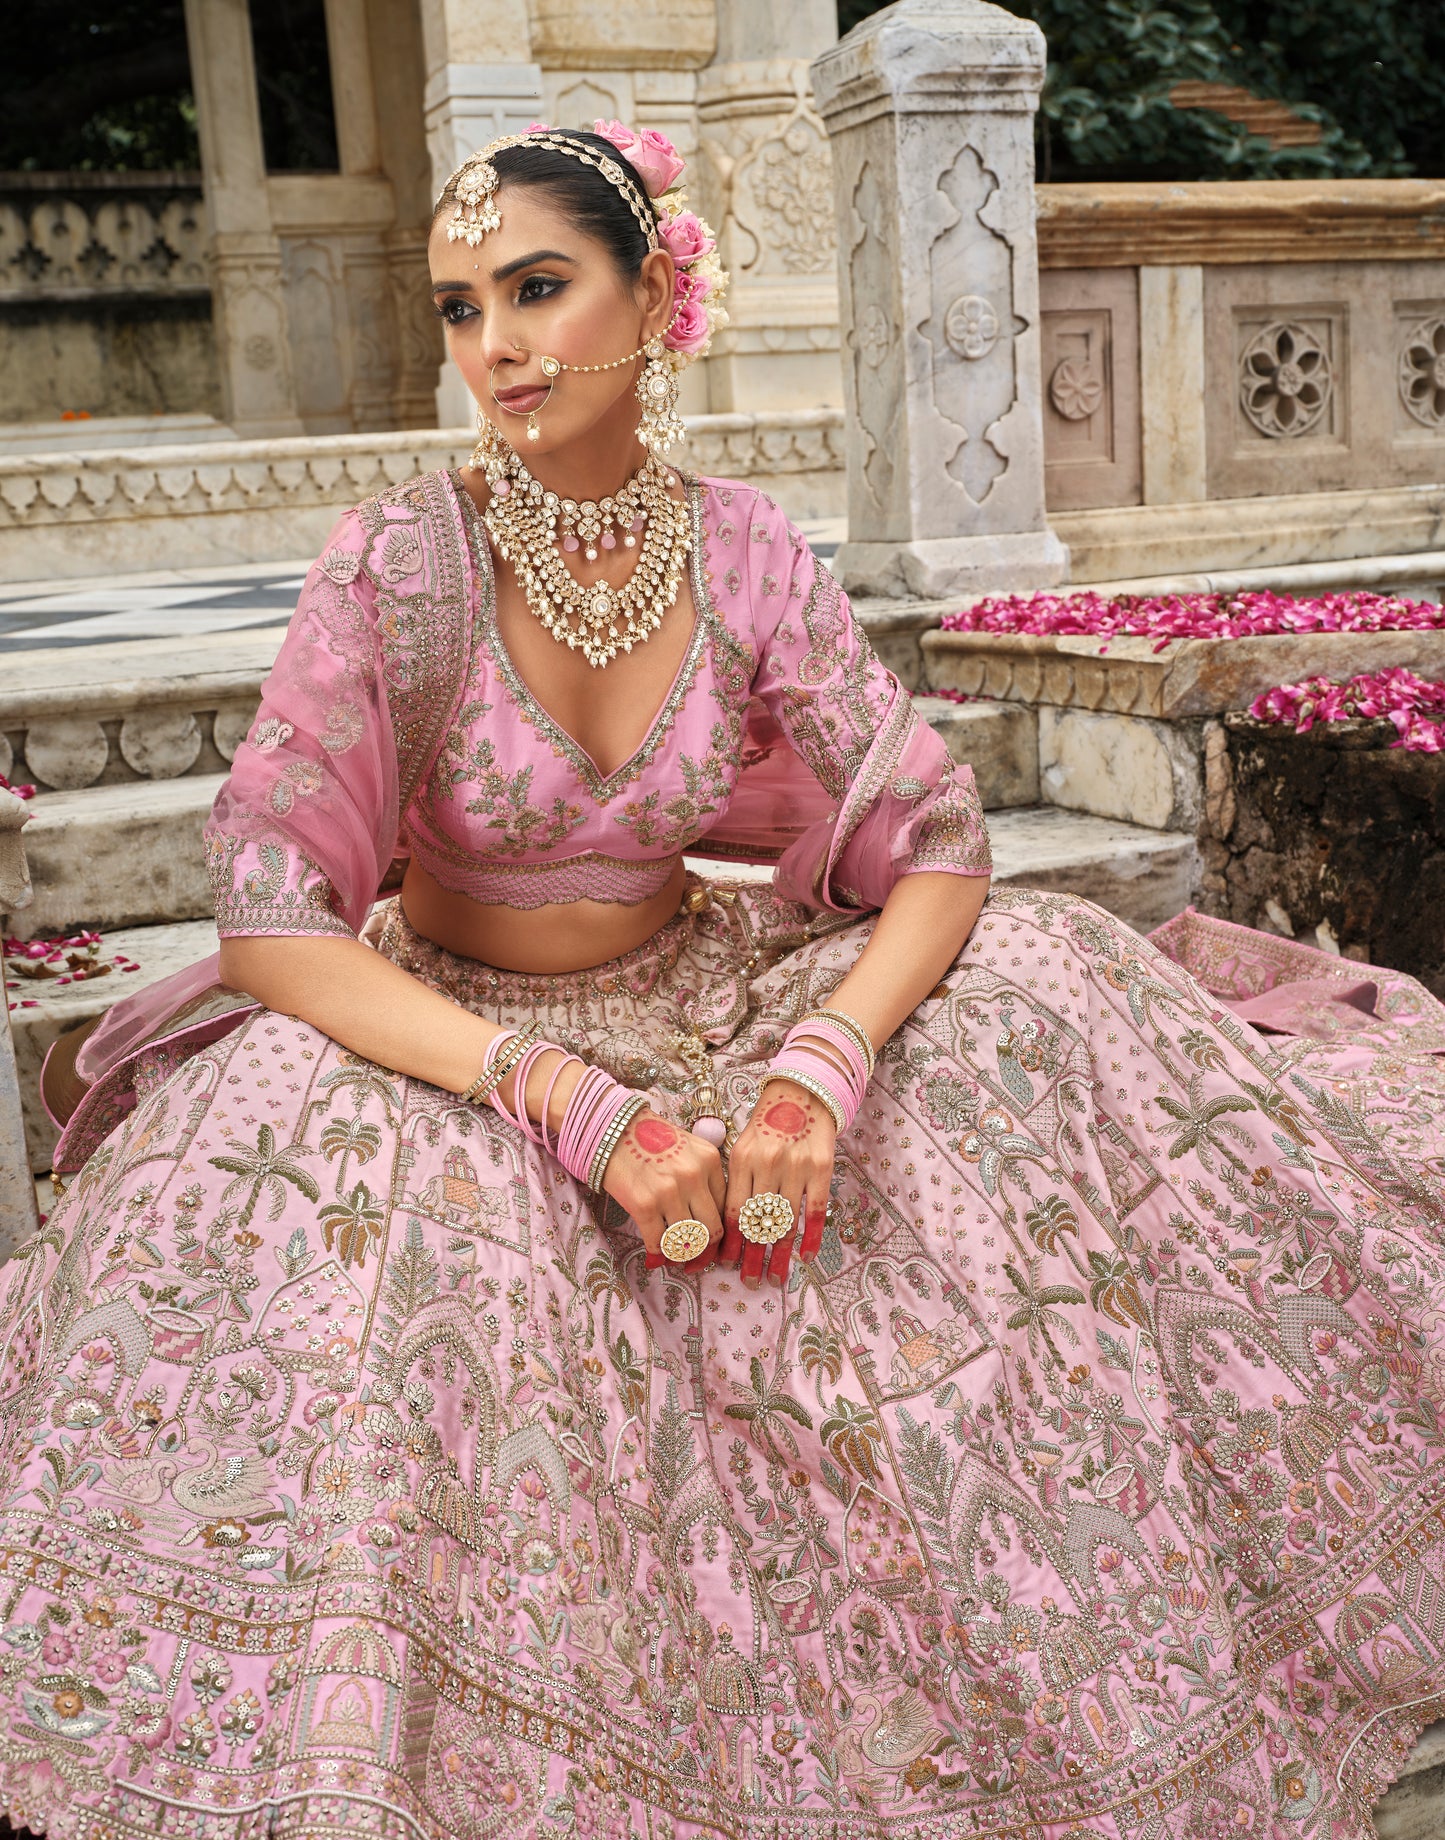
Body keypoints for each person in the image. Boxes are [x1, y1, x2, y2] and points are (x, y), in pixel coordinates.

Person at [5, 123, 1445, 1840]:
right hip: (459, 1039)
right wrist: (566, 1102)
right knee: (346, 1204)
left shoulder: (741, 550)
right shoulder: (399, 560)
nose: (497, 349)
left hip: (707, 988)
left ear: (657, 294)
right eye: (462, 308)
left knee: (1046, 985)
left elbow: (937, 841)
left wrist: (818, 1068)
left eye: (539, 289)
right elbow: (269, 920)